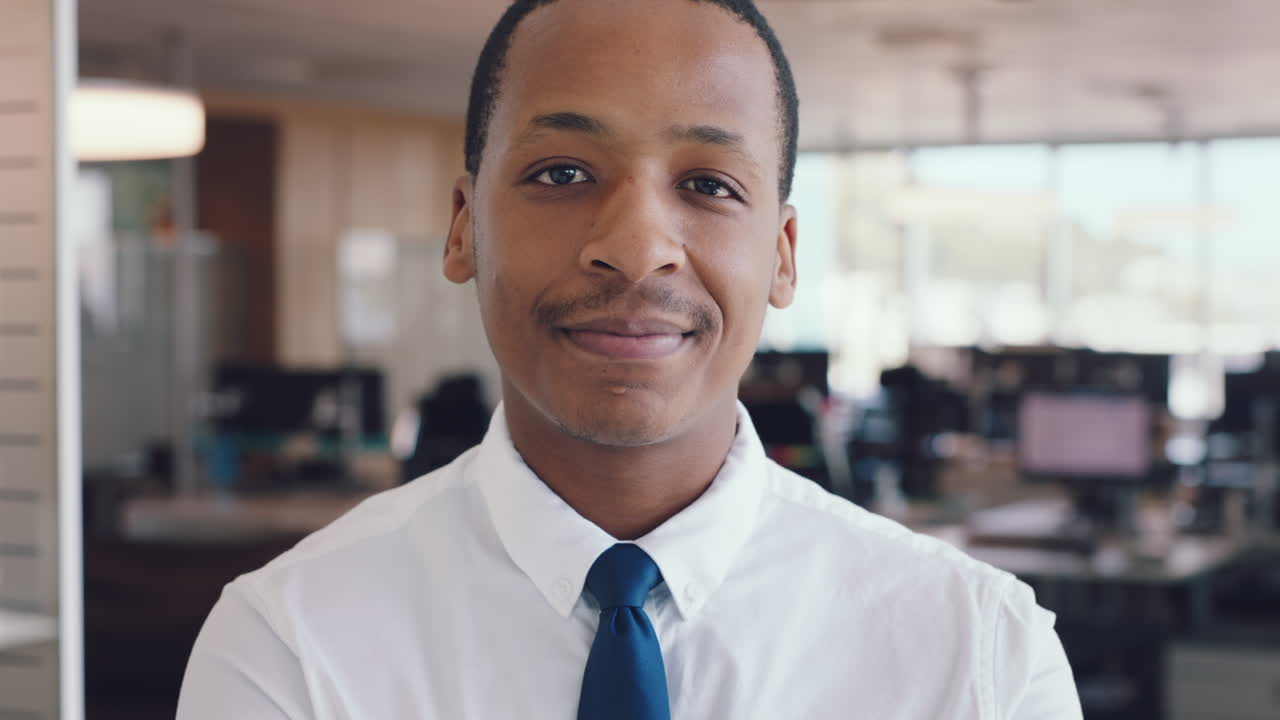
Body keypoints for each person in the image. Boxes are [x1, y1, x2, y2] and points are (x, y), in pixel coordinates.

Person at [177, 0, 1083, 717]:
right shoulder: (289, 646)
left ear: (782, 254)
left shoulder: (981, 660)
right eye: (562, 173)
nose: (637, 247)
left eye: (709, 185)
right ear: (463, 227)